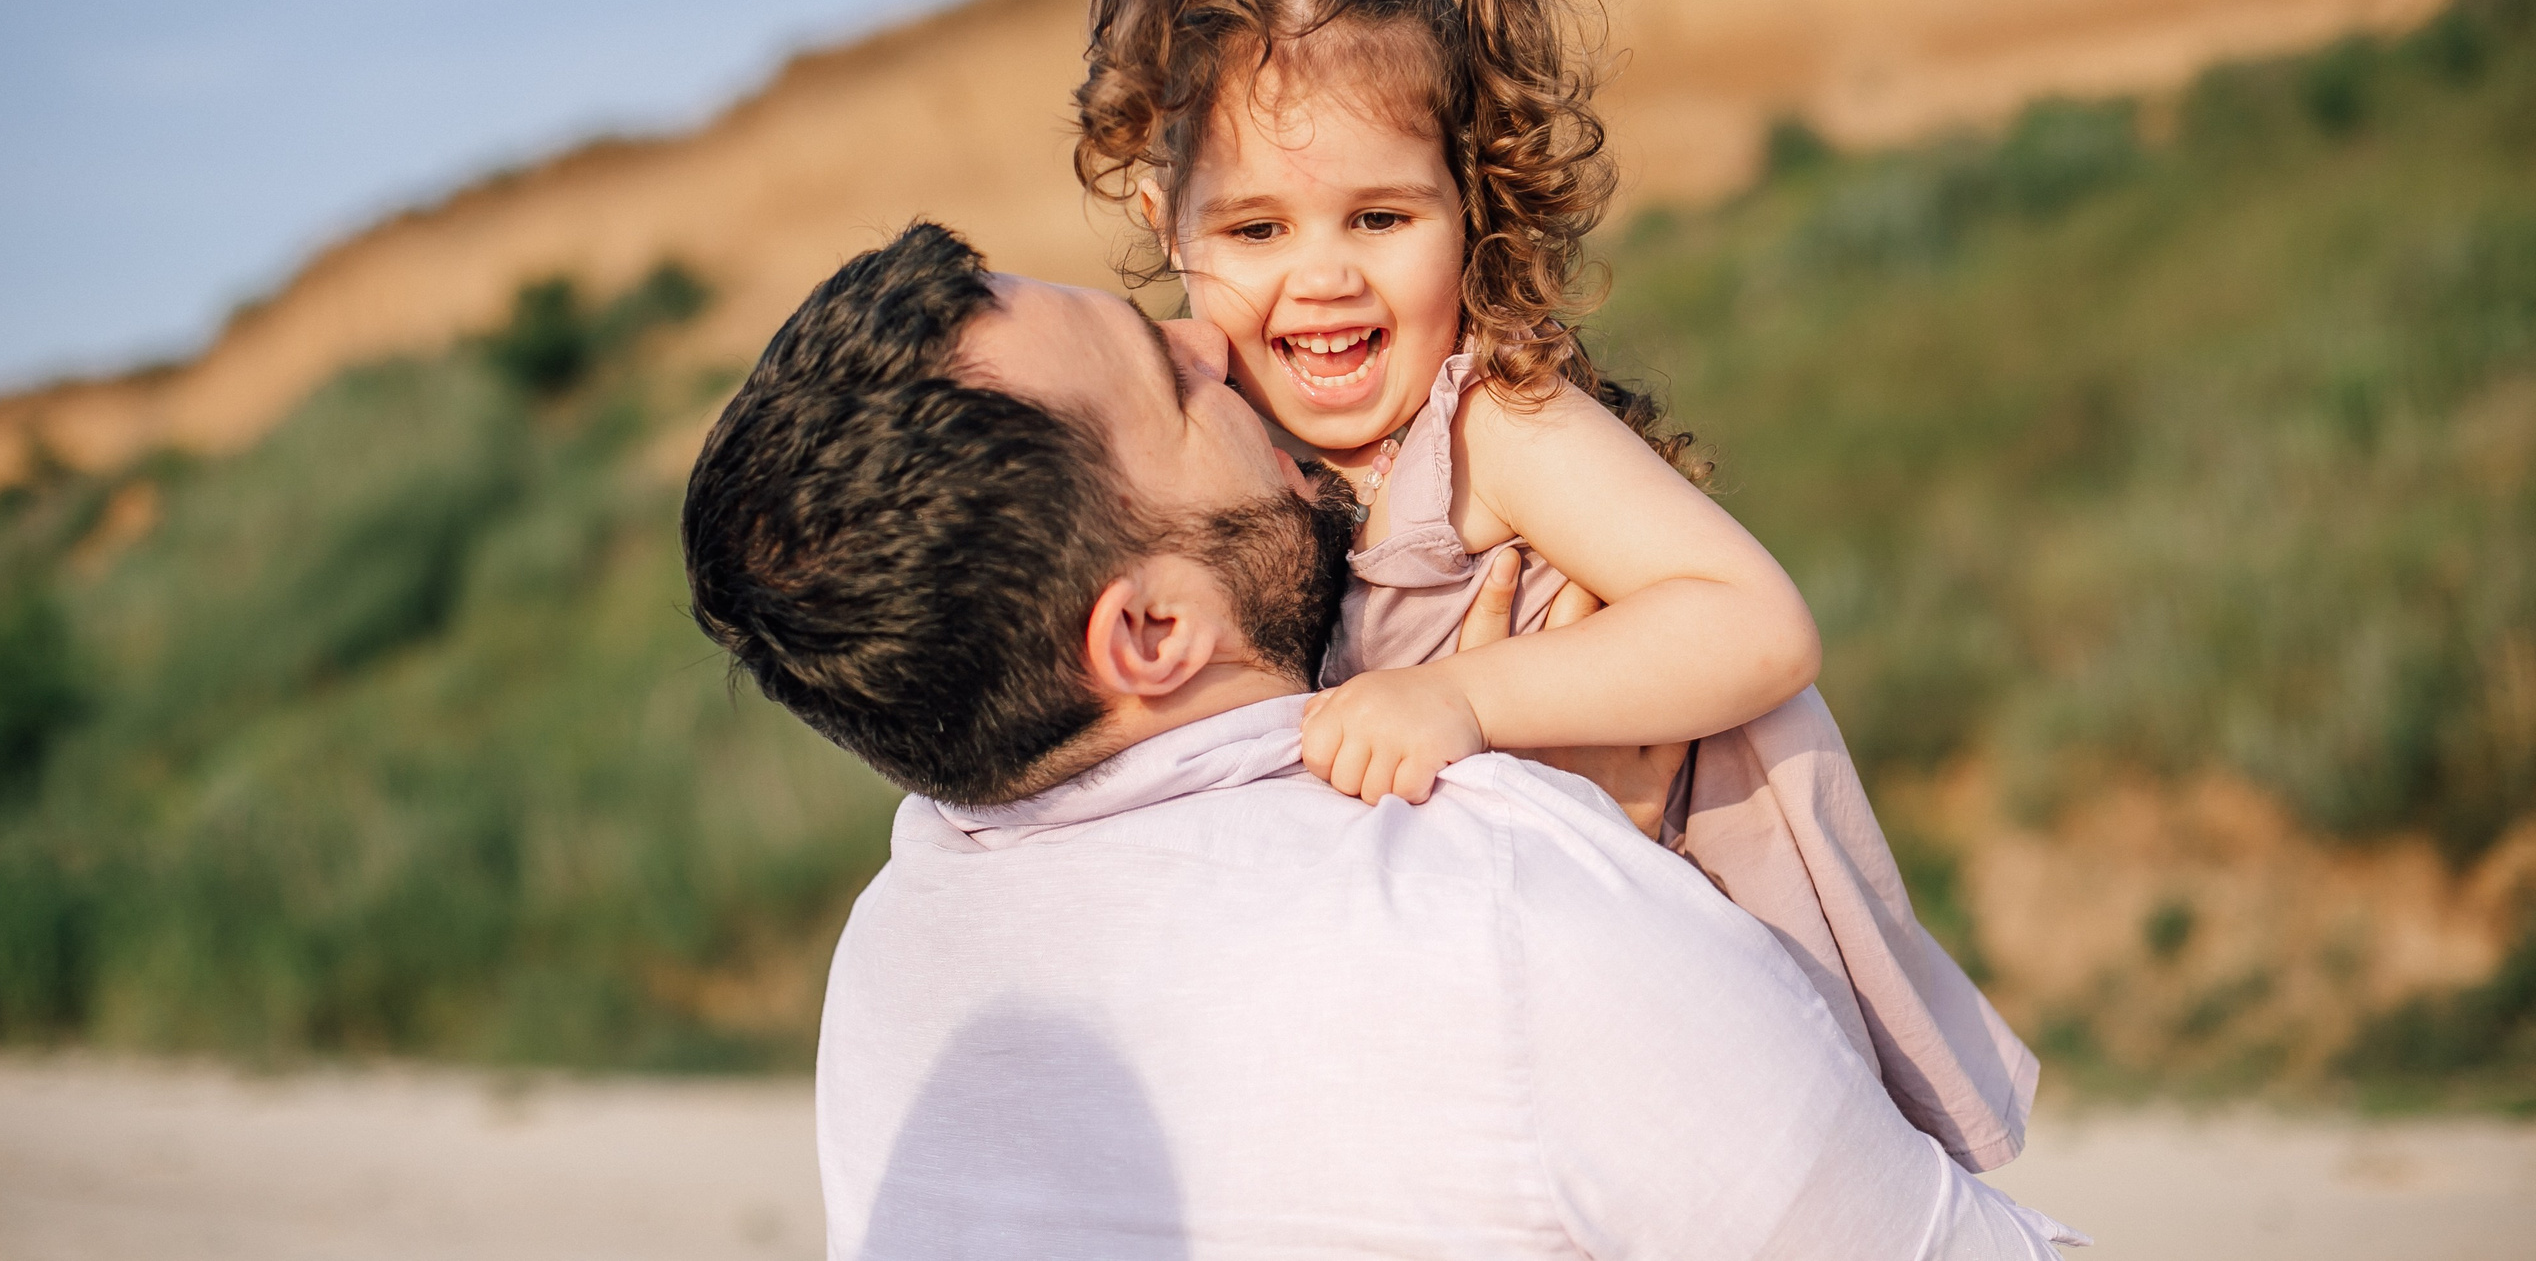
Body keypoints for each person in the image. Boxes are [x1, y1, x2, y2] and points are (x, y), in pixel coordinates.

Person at [681, 221, 2080, 1257]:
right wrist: (1612, 874)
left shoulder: (890, 968)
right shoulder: (1514, 907)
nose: (1211, 341)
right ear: (1153, 631)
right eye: (1173, 385)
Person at [1067, 0, 2035, 1168]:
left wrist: (1461, 699)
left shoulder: (1491, 425)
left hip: (1697, 941)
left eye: (1380, 217)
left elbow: (1754, 624)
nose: (1325, 274)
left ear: (1470, 202)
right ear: (1166, 227)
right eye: (1256, 228)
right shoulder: (1213, 455)